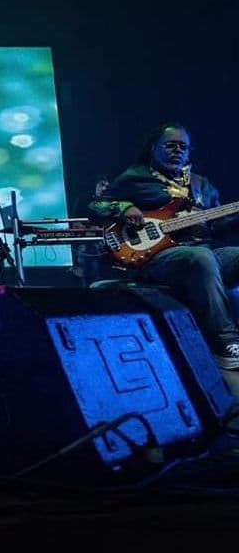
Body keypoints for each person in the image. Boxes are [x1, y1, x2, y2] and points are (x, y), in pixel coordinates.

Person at [90, 122, 239, 369]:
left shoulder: (202, 186)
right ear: (153, 148)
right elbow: (96, 207)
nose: (177, 150)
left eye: (183, 147)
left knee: (210, 256)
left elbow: (217, 227)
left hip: (205, 252)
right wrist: (124, 207)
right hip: (156, 257)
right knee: (200, 258)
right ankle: (225, 342)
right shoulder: (135, 178)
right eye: (170, 145)